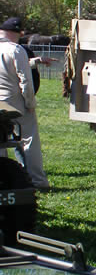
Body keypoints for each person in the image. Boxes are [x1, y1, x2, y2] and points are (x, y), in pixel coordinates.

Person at [0, 17, 50, 190]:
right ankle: (37, 180)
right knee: (29, 140)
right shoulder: (16, 49)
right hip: (15, 102)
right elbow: (26, 81)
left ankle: (4, 180)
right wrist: (30, 103)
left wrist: (36, 61)